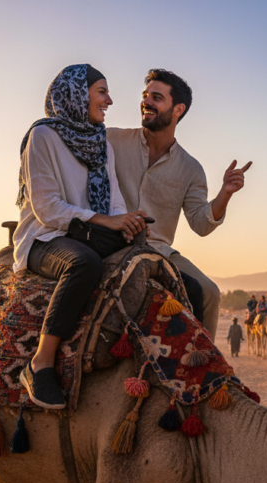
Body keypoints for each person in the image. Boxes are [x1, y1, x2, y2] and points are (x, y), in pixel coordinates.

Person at [12, 64, 149, 409]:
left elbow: (115, 197)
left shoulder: (100, 141)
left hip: (89, 231)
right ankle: (40, 362)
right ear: (77, 94)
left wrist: (127, 221)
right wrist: (107, 221)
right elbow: (47, 208)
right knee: (84, 265)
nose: (110, 100)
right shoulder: (42, 137)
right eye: (102, 91)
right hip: (46, 238)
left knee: (148, 255)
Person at [107, 69, 251, 339]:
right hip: (109, 239)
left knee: (209, 292)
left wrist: (226, 193)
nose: (146, 102)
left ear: (178, 109)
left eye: (157, 97)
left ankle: (205, 369)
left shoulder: (191, 168)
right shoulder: (111, 140)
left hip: (159, 249)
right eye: (145, 95)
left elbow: (200, 223)